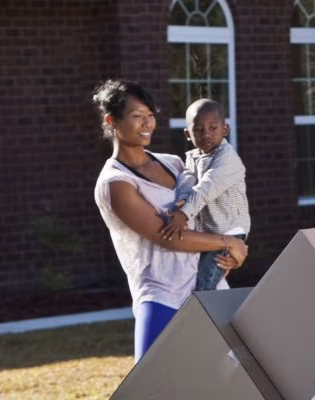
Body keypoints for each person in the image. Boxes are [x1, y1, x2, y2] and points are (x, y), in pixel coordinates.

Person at [91, 79, 248, 362]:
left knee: (227, 380)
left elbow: (207, 210)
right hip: (161, 295)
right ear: (111, 120)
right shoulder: (116, 184)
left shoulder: (174, 163)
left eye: (150, 115)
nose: (146, 124)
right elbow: (169, 235)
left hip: (206, 285)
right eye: (137, 116)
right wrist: (229, 242)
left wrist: (230, 253)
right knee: (150, 385)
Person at [160, 98, 250, 291]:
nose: (206, 134)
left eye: (213, 128)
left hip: (229, 231)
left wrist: (183, 213)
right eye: (198, 129)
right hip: (210, 233)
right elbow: (188, 179)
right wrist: (182, 200)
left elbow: (206, 189)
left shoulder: (227, 159)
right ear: (187, 134)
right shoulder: (193, 157)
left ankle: (201, 317)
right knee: (199, 277)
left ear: (224, 130)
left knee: (204, 284)